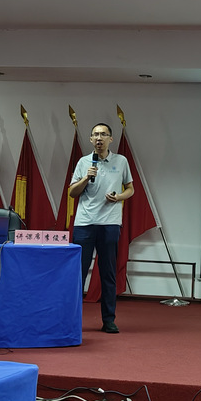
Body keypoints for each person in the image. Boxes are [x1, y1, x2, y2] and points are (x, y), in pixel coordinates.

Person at [69, 123, 134, 333]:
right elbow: (72, 192)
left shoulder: (121, 161)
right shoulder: (83, 162)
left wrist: (119, 197)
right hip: (85, 224)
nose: (99, 138)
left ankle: (108, 320)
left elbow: (130, 189)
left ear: (110, 139)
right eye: (96, 134)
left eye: (103, 134)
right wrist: (86, 177)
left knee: (108, 273)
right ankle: (73, 320)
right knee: (78, 273)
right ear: (91, 139)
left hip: (110, 223)